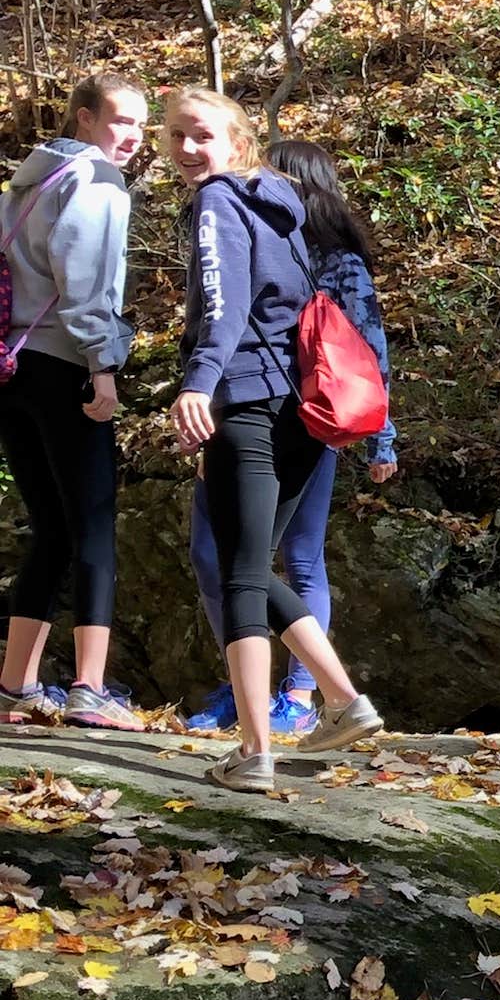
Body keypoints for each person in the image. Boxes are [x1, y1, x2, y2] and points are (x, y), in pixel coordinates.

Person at [163, 87, 384, 794]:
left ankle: (256, 751)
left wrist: (199, 381)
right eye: (177, 137)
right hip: (303, 410)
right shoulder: (284, 206)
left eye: (201, 135)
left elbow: (221, 300)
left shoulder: (219, 201)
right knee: (251, 567)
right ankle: (346, 702)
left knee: (238, 574)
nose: (189, 150)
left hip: (250, 399)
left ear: (236, 140)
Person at [0, 76, 149, 728]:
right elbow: (84, 283)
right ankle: (89, 688)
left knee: (53, 530)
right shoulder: (97, 183)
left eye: (142, 126)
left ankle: (14, 687)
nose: (133, 138)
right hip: (65, 366)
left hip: (11, 369)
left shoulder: (27, 182)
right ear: (85, 120)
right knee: (92, 526)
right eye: (121, 122)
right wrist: (104, 368)